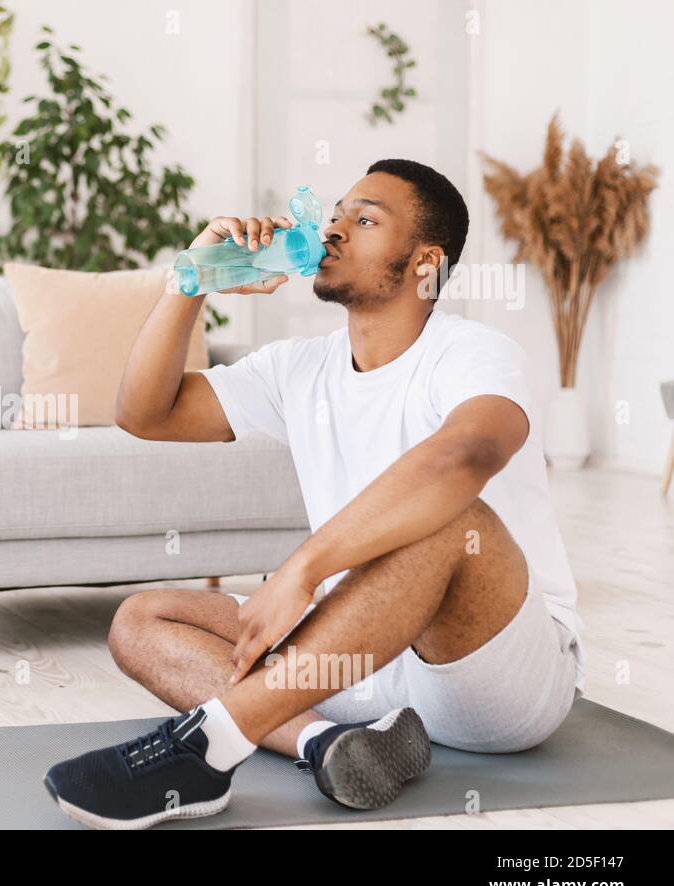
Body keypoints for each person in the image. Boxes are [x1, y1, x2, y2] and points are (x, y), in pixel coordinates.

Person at [43, 159, 584, 830]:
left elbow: (465, 456)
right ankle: (324, 743)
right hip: (362, 653)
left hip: (493, 674)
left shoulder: (474, 353)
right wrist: (192, 279)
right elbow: (145, 413)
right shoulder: (298, 365)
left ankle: (207, 746)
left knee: (451, 518)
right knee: (142, 621)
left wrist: (303, 569)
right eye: (335, 214)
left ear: (425, 263)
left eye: (364, 220)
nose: (332, 230)